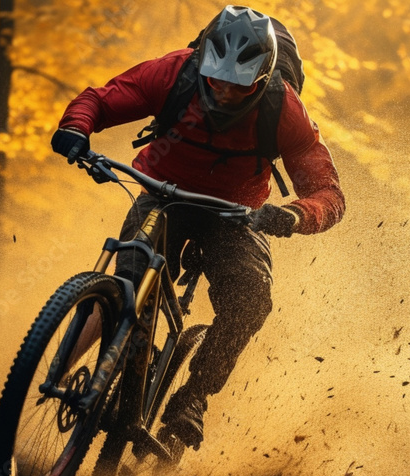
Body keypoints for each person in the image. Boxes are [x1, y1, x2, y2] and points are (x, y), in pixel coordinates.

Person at [51, 5, 345, 450]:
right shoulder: (174, 74)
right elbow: (103, 98)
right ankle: (51, 377)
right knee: (127, 280)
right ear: (203, 62)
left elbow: (328, 193)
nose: (224, 91)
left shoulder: (283, 110)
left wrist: (294, 215)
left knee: (250, 296)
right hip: (161, 194)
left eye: (238, 83)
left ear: (262, 79)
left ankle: (193, 397)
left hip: (235, 214)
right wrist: (76, 128)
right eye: (216, 77)